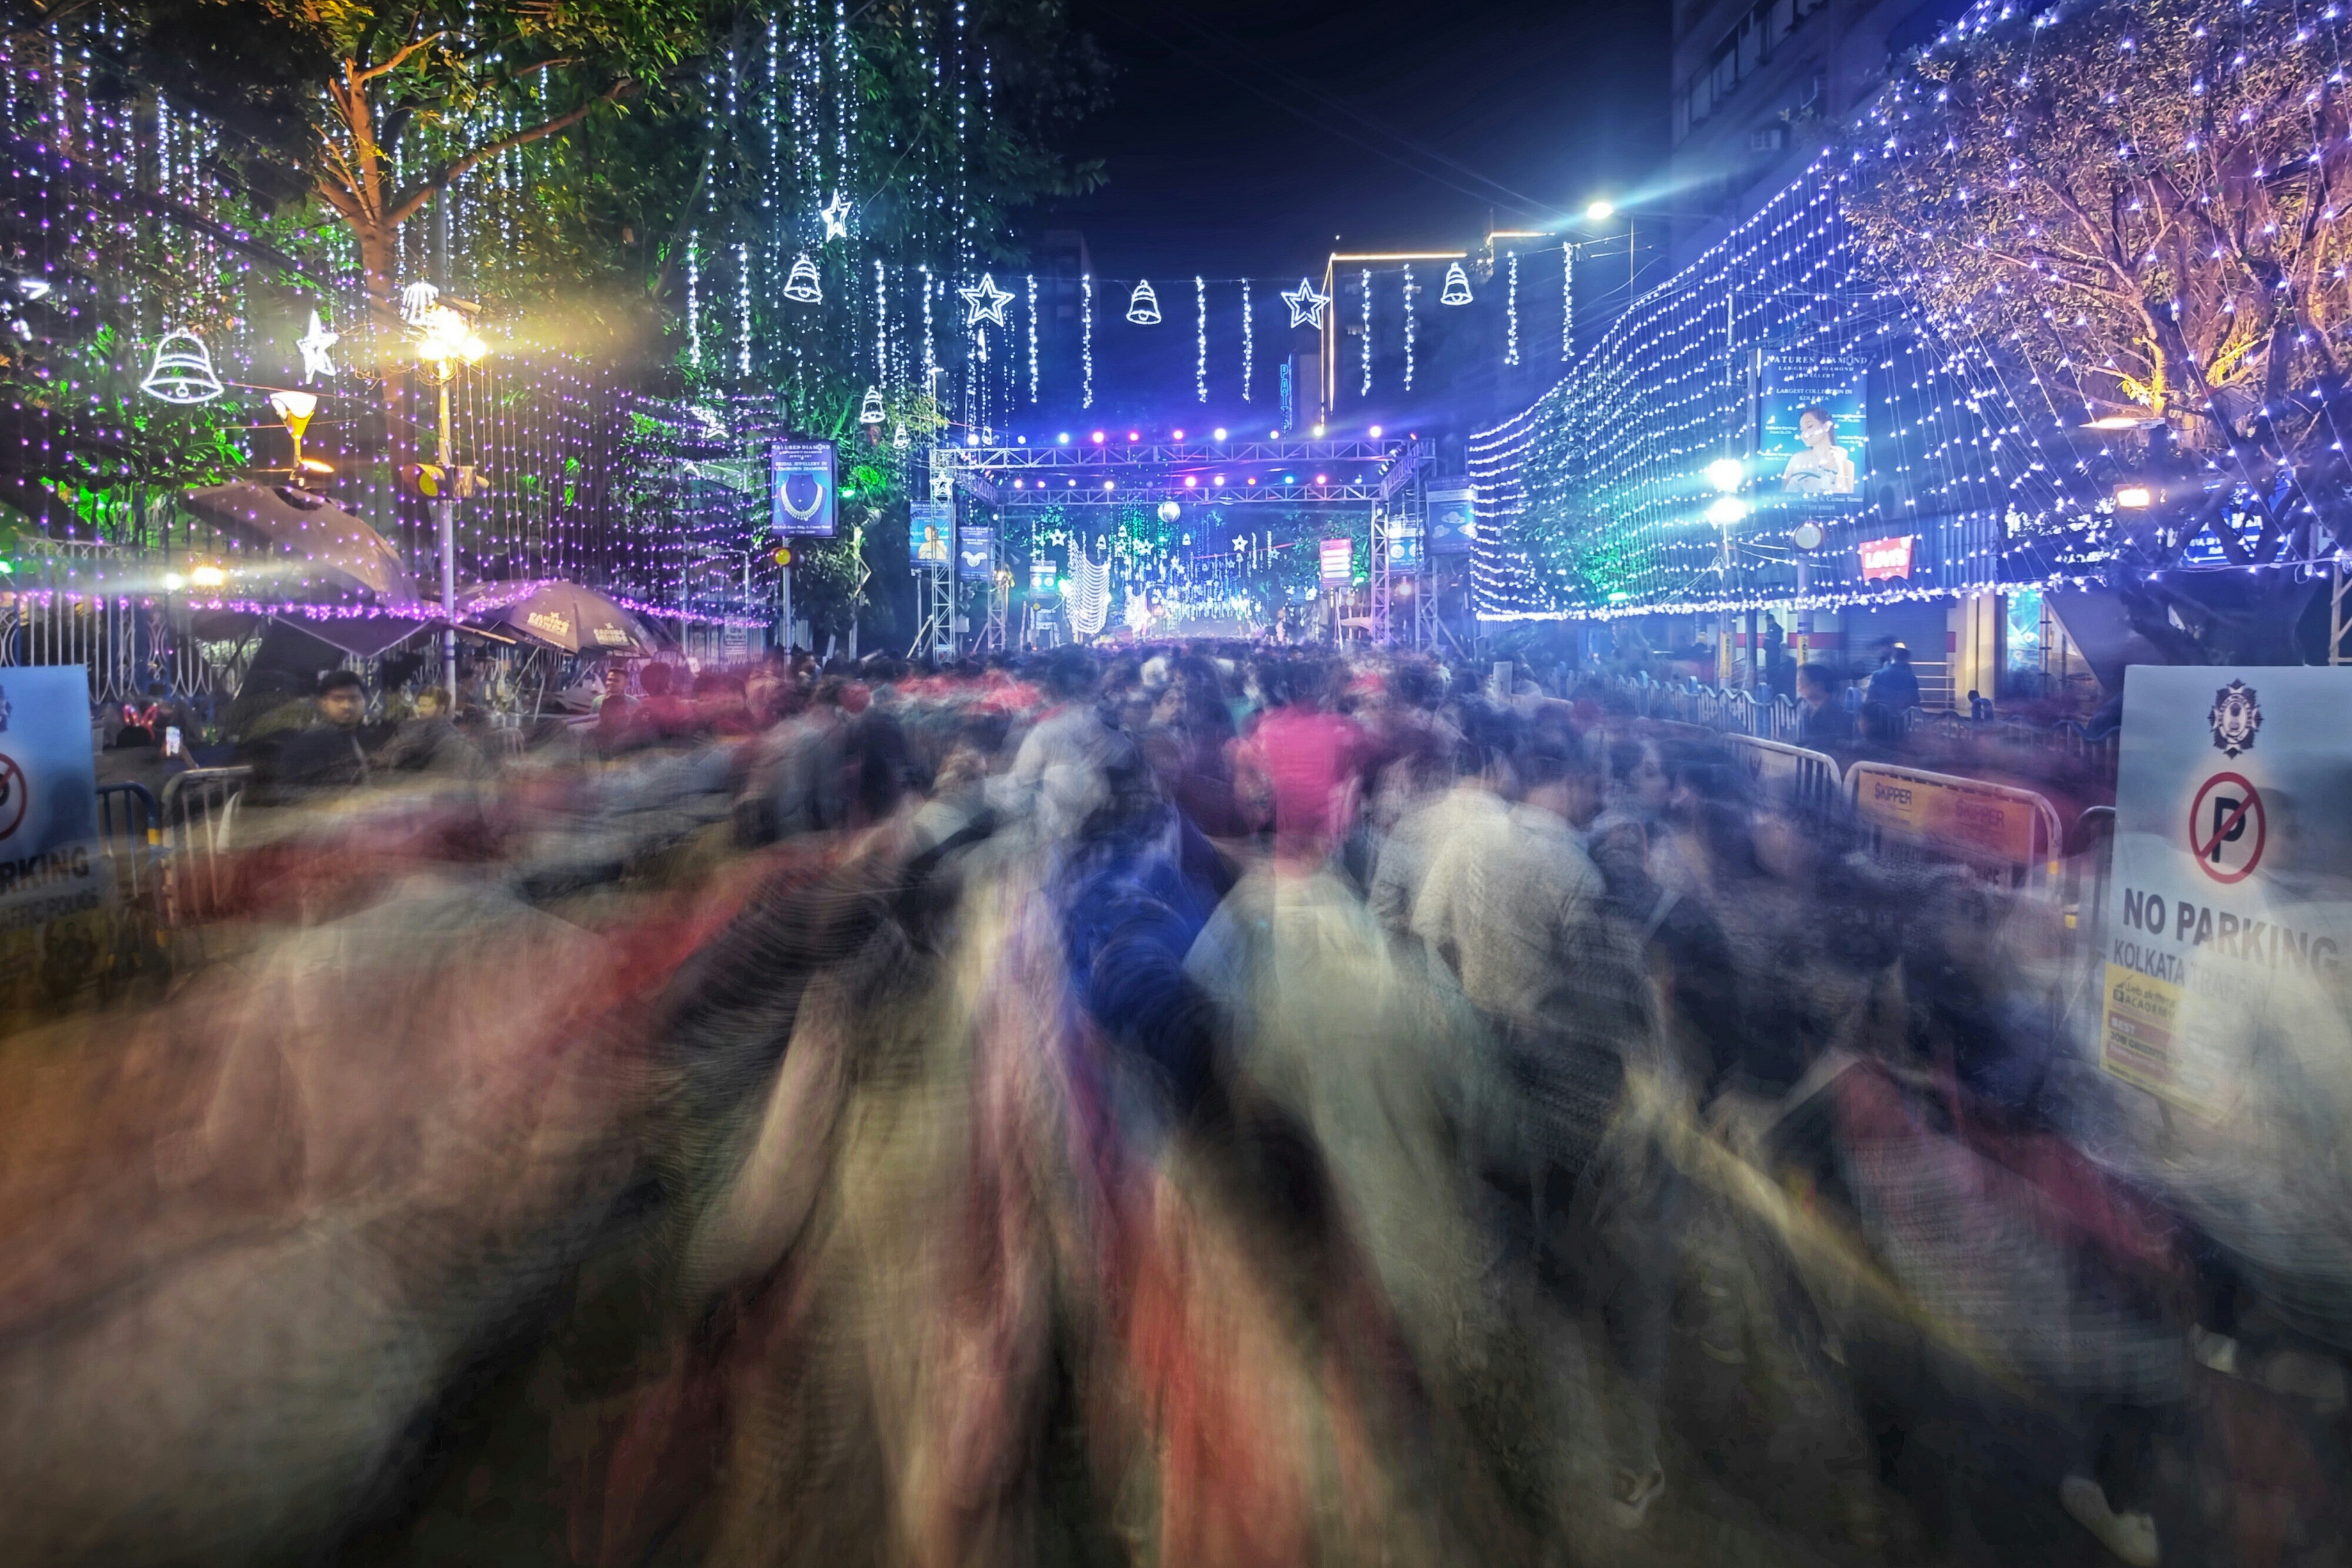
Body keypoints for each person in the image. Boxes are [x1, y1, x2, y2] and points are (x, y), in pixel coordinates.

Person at [1781, 404, 1858, 496]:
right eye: (1802, 430)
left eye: (1809, 427)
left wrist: (1841, 465)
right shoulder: (1797, 460)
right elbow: (1783, 497)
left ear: (1826, 426)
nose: (1804, 434)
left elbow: (1845, 501)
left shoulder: (1847, 463)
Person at [1795, 661, 1855, 748]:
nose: (1798, 688)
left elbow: (1831, 745)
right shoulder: (1808, 710)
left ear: (1818, 685)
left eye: (1801, 683)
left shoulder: (1835, 714)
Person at [1865, 641, 1921, 714]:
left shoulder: (1877, 675)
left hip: (1882, 718)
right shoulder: (1911, 678)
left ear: (1892, 657)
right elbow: (1916, 701)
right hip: (1903, 718)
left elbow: (1870, 698)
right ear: (1906, 659)